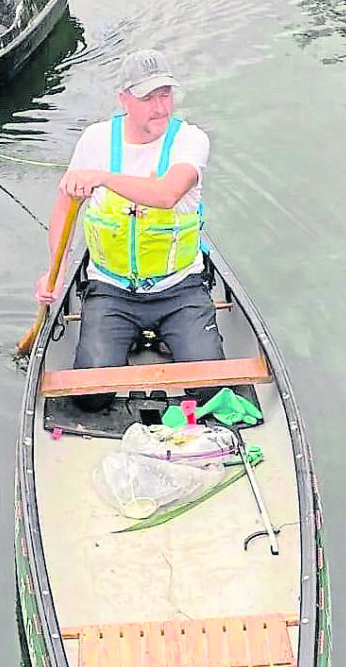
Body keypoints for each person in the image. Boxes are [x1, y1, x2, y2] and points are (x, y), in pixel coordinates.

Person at [35, 49, 224, 410]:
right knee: (90, 398)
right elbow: (65, 206)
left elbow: (168, 194)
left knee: (210, 393)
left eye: (165, 94)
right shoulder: (95, 140)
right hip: (111, 289)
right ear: (124, 100)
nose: (160, 107)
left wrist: (103, 177)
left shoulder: (191, 140)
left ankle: (174, 339)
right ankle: (127, 340)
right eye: (147, 97)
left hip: (179, 288)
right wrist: (53, 272)